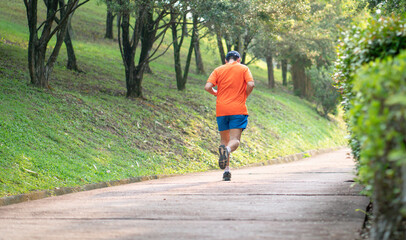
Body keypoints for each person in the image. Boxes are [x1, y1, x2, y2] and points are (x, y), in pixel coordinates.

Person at [204, 51, 255, 181]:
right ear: (239, 60)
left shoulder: (218, 70)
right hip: (238, 109)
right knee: (234, 140)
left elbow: (207, 87)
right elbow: (251, 84)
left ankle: (226, 171)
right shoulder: (243, 68)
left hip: (221, 110)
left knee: (224, 140)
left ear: (226, 60)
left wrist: (216, 93)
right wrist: (245, 95)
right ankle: (227, 150)